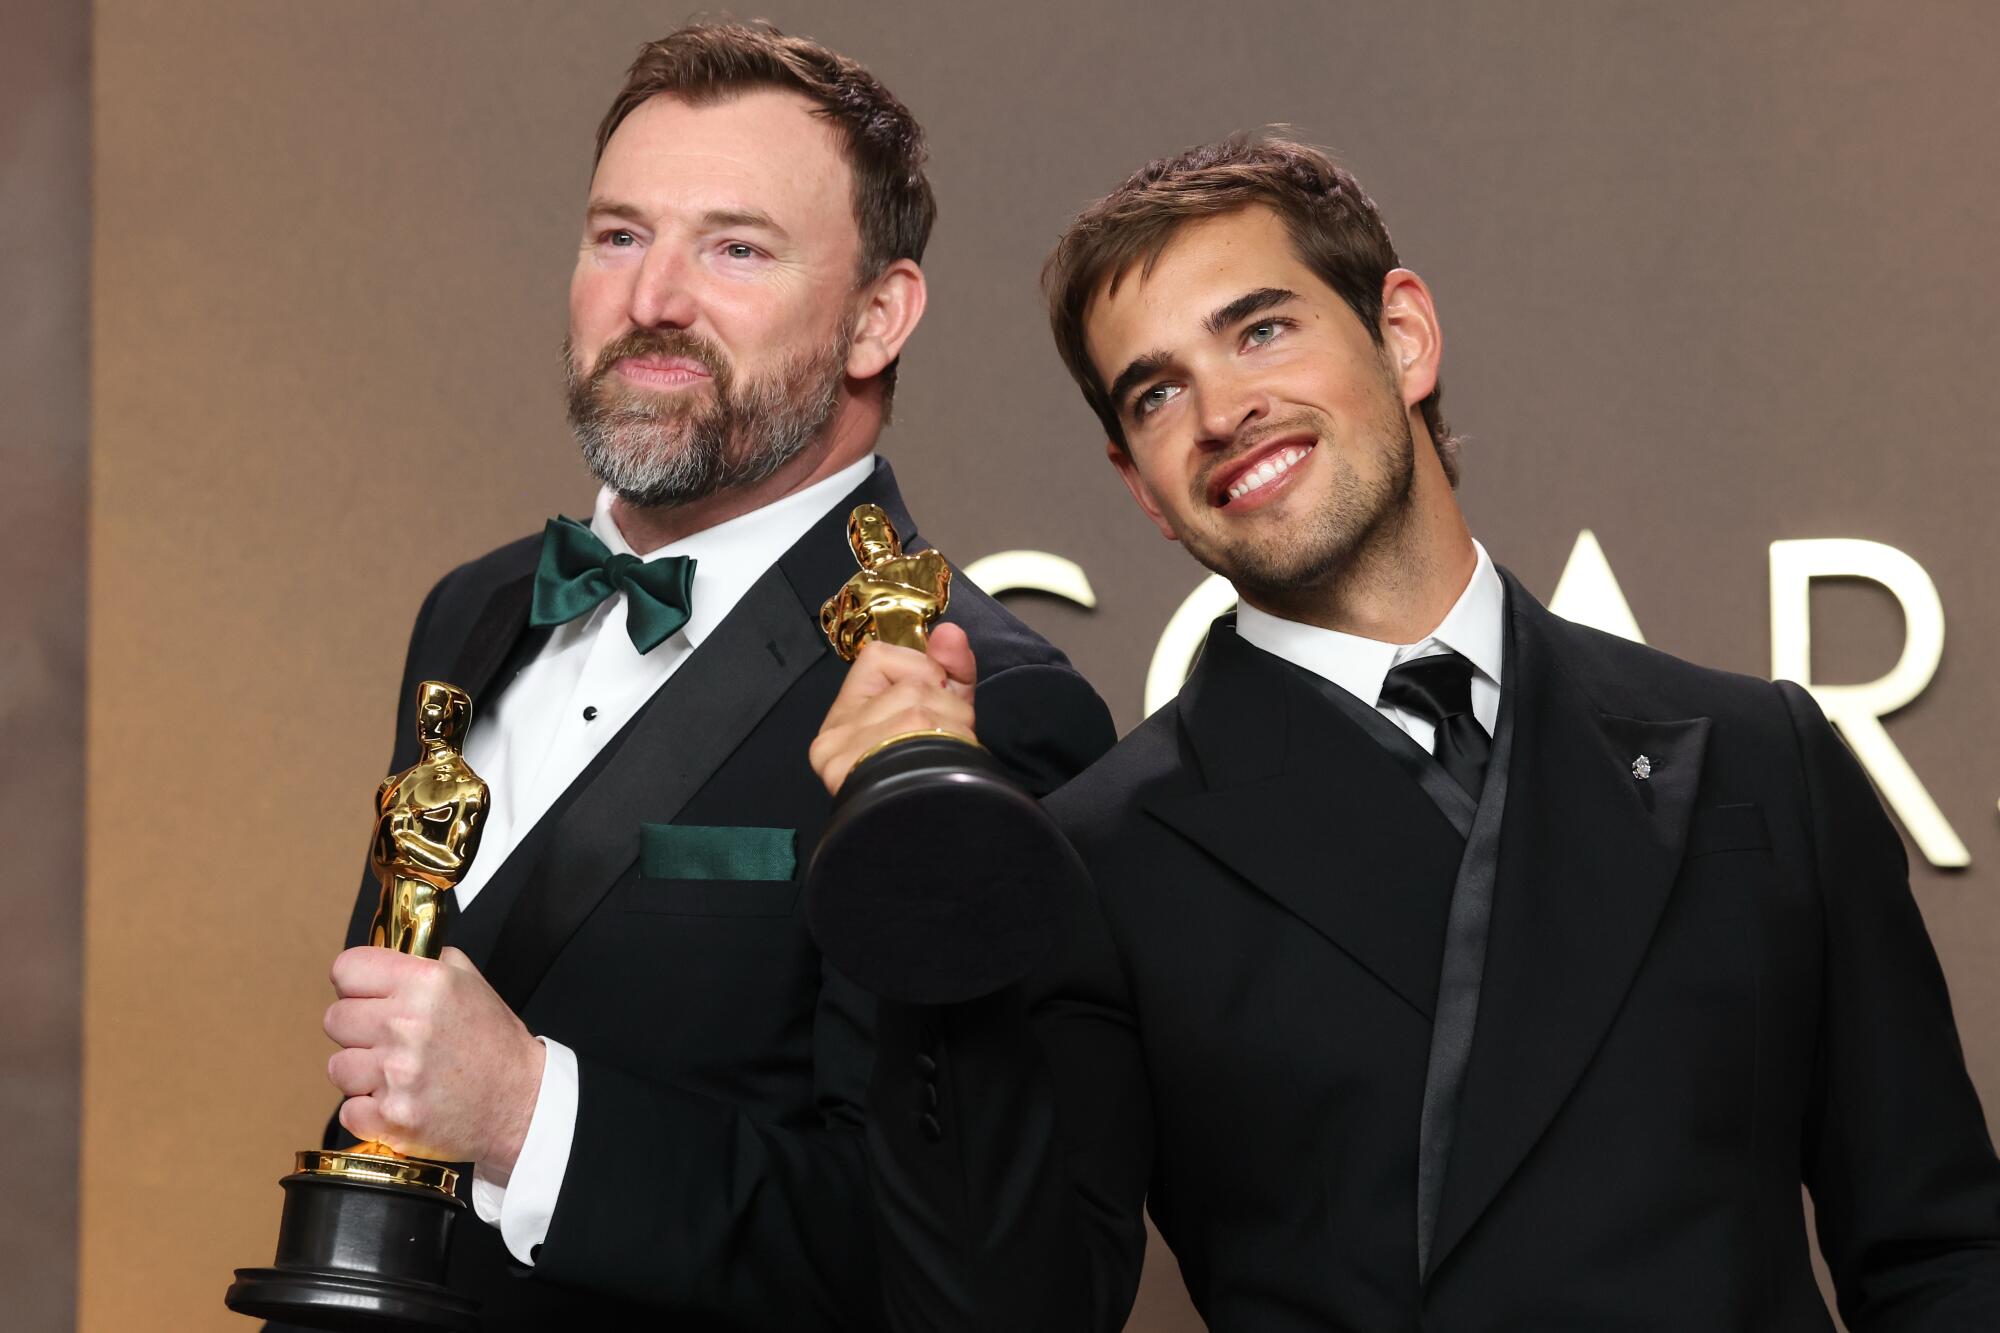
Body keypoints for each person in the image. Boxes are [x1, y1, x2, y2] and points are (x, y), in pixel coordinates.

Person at [814, 135, 2000, 1330]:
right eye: (1157, 391)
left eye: (1261, 328)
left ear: (1403, 336)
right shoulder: (1100, 852)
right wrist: (930, 886)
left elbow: (1941, 1253)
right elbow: (1002, 1315)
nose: (1223, 410)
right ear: (1140, 486)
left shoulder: (1760, 755)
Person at [309, 23, 1113, 1330]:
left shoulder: (986, 703)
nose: (654, 299)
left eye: (736, 247)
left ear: (877, 317)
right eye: (621, 235)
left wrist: (527, 1111)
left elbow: (969, 1278)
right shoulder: (473, 608)